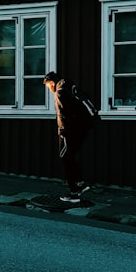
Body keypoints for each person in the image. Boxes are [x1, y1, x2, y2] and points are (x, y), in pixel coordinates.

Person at [44, 71, 93, 203]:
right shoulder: (71, 88)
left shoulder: (60, 92)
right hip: (81, 129)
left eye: (48, 86)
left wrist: (63, 131)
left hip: (69, 132)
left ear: (52, 83)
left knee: (66, 158)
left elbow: (64, 114)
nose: (49, 89)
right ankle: (80, 184)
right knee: (70, 157)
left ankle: (74, 192)